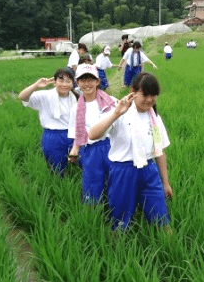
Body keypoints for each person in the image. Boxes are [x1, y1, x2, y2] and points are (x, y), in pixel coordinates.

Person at [88, 73, 173, 230]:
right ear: (133, 91)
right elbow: (92, 134)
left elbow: (160, 152)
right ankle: (115, 245)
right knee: (120, 218)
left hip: (149, 170)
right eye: (145, 94)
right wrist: (116, 114)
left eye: (153, 95)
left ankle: (171, 247)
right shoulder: (119, 112)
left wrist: (166, 183)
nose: (149, 99)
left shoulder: (155, 118)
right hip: (123, 171)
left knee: (161, 216)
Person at [67, 64, 117, 204]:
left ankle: (114, 208)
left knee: (115, 179)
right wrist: (75, 150)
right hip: (90, 150)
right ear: (78, 83)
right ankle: (93, 212)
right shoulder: (76, 109)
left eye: (91, 79)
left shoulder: (110, 101)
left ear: (97, 81)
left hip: (111, 146)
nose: (87, 83)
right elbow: (77, 132)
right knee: (92, 181)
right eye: (83, 80)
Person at [19, 68, 77, 175]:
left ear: (73, 83)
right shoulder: (45, 95)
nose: (64, 84)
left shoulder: (76, 97)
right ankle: (60, 187)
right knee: (57, 169)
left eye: (68, 81)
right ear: (54, 82)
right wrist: (36, 85)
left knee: (80, 166)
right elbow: (22, 97)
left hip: (74, 135)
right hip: (53, 137)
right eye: (61, 80)